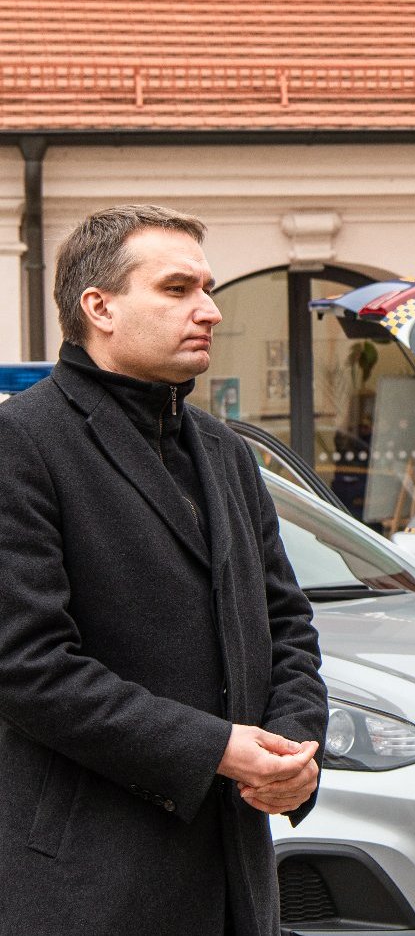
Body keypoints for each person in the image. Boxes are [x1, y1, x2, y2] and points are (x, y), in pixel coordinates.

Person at [0, 205, 329, 936]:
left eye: (206, 289)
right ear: (100, 307)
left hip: (236, 877)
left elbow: (287, 622)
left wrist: (298, 749)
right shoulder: (23, 445)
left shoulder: (225, 452)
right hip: (95, 880)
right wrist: (216, 748)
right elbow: (28, 666)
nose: (209, 310)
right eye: (178, 290)